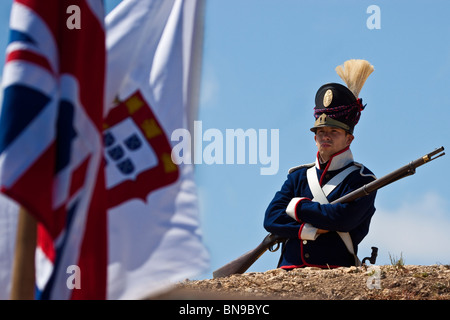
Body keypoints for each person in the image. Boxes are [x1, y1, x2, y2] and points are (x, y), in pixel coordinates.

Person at [264, 59, 377, 269]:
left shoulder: (363, 180)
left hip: (334, 269)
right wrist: (310, 230)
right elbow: (271, 218)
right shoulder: (297, 177)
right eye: (321, 132)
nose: (326, 136)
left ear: (349, 138)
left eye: (334, 132)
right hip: (290, 269)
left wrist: (296, 207)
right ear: (315, 137)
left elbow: (343, 219)